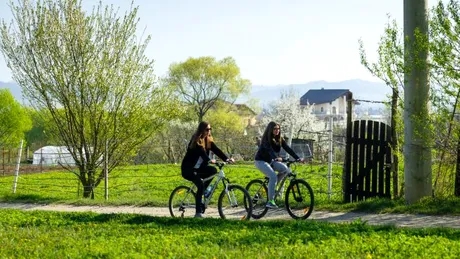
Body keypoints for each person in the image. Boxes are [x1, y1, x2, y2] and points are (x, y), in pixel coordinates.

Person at [181, 121, 234, 218]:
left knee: (213, 171)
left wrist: (226, 159)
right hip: (188, 169)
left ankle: (203, 191)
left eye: (210, 129)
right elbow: (202, 153)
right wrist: (210, 160)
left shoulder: (208, 140)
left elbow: (216, 150)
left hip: (199, 168)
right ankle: (198, 213)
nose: (209, 131)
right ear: (202, 130)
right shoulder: (196, 141)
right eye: (207, 129)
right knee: (200, 185)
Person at [254, 121, 304, 209]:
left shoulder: (280, 139)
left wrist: (297, 158)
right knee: (273, 176)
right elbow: (270, 151)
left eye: (278, 129)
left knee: (286, 170)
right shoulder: (266, 140)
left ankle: (271, 188)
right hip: (261, 161)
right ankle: (270, 201)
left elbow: (287, 148)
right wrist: (277, 158)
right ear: (270, 130)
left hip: (271, 161)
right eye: (275, 129)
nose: (277, 130)